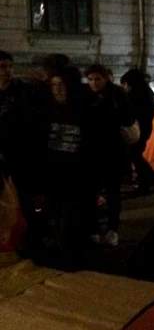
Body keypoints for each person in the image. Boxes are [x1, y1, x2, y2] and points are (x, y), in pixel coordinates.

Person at [43, 66, 94, 259]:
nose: (58, 89)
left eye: (62, 84)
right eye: (54, 85)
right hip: (54, 171)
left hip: (77, 172)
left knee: (72, 215)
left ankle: (71, 253)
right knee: (55, 213)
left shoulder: (84, 109)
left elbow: (94, 143)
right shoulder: (48, 110)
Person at [85, 64, 136, 247]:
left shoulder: (117, 94)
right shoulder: (85, 94)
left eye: (97, 79)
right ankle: (92, 229)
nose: (94, 83)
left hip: (113, 151)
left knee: (113, 192)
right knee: (90, 192)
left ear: (106, 78)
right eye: (90, 79)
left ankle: (112, 229)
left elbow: (128, 118)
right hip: (90, 152)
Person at [0, 51, 47, 246]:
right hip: (0, 154)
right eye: (2, 66)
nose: (7, 71)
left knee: (25, 194)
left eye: (10, 66)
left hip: (20, 152)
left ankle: (33, 236)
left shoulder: (22, 90)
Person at [120, 69, 154, 195]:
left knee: (135, 156)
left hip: (136, 131)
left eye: (125, 84)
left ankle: (148, 181)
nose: (124, 87)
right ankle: (149, 180)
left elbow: (129, 114)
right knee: (136, 156)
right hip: (145, 129)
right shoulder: (148, 92)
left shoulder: (134, 95)